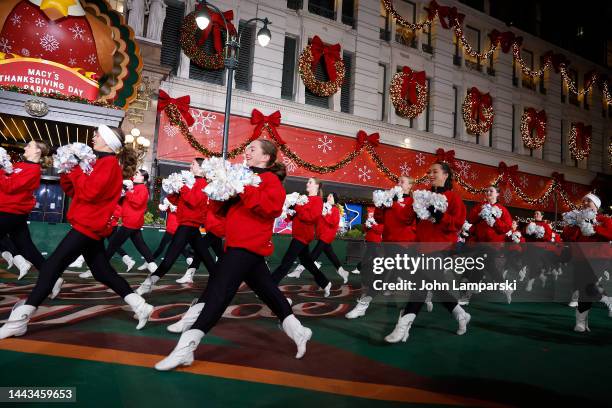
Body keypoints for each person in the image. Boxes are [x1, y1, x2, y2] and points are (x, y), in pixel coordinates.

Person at [155, 139, 312, 371]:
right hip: (238, 245)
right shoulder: (243, 176)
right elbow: (222, 211)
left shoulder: (271, 181)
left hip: (247, 246)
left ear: (266, 158)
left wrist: (242, 188)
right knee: (268, 291)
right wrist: (222, 190)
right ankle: (298, 331)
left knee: (218, 294)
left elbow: (271, 208)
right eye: (246, 148)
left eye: (252, 149)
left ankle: (185, 348)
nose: (246, 152)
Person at [0, 126, 154, 339]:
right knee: (102, 271)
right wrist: (66, 170)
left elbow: (90, 192)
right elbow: (73, 191)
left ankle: (21, 319)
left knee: (51, 268)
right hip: (88, 224)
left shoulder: (108, 164)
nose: (93, 137)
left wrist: (75, 170)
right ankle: (140, 305)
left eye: (98, 135)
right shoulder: (99, 163)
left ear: (108, 142)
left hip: (88, 226)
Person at [385, 162, 470, 343]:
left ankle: (402, 325)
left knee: (419, 285)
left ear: (446, 175)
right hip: (420, 248)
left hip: (441, 249)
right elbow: (407, 218)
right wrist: (392, 204)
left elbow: (457, 223)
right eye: (429, 171)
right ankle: (461, 314)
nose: (430, 174)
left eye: (435, 171)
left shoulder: (453, 198)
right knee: (436, 287)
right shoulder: (423, 195)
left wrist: (440, 215)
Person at [135, 158, 216, 295]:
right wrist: (173, 191)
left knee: (170, 257)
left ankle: (148, 283)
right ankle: (220, 281)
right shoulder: (192, 182)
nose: (190, 166)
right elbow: (178, 201)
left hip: (188, 225)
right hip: (189, 224)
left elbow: (194, 201)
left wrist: (181, 187)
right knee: (206, 257)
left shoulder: (202, 183)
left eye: (193, 164)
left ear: (202, 168)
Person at [271, 178, 339, 298]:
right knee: (307, 262)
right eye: (307, 182)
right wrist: (288, 213)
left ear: (317, 186)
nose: (307, 184)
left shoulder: (317, 201)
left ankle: (268, 287)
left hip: (303, 236)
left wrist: (298, 207)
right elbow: (295, 214)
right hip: (298, 234)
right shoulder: (304, 198)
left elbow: (310, 218)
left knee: (286, 262)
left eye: (310, 182)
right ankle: (325, 283)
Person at [561, 193, 612, 331]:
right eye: (583, 201)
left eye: (588, 201)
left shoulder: (604, 219)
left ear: (596, 205)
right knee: (583, 287)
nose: (584, 203)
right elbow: (568, 236)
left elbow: (610, 233)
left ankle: (581, 322)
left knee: (588, 287)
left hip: (599, 258)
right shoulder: (578, 218)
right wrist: (571, 225)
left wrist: (594, 227)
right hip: (581, 257)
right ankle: (583, 321)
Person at [0, 141, 50, 279]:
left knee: (24, 247)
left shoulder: (34, 170)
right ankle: (53, 279)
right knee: (28, 248)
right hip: (7, 209)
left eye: (29, 146)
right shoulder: (19, 165)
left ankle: (16, 258)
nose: (25, 147)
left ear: (38, 151)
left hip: (11, 211)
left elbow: (10, 186)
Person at [287, 192, 349, 282]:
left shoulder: (335, 209)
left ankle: (299, 270)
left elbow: (334, 222)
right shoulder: (323, 206)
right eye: (328, 195)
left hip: (327, 235)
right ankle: (342, 271)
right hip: (321, 234)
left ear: (334, 199)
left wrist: (325, 214)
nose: (328, 197)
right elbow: (316, 219)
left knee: (314, 254)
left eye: (330, 196)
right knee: (331, 254)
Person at [104, 169, 157, 273]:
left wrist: (127, 193)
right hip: (131, 222)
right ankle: (153, 265)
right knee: (140, 244)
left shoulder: (142, 189)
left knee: (113, 244)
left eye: (137, 173)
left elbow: (138, 202)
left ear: (143, 178)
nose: (135, 174)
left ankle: (102, 265)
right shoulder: (133, 186)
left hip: (131, 222)